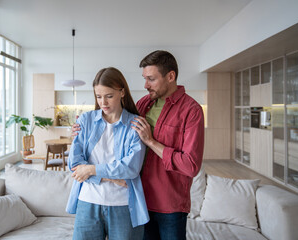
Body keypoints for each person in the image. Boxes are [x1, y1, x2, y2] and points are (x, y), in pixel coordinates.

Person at [72, 50, 204, 240]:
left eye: (151, 79)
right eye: (144, 78)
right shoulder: (143, 105)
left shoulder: (191, 111)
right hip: (137, 200)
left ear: (171, 76)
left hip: (169, 204)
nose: (145, 85)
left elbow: (190, 166)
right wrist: (77, 132)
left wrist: (151, 141)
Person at [66, 67, 149, 240]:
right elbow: (74, 164)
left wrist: (90, 170)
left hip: (123, 204)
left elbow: (131, 168)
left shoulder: (135, 124)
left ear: (122, 92)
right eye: (98, 96)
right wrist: (110, 178)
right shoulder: (85, 120)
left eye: (109, 96)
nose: (103, 102)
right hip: (88, 201)